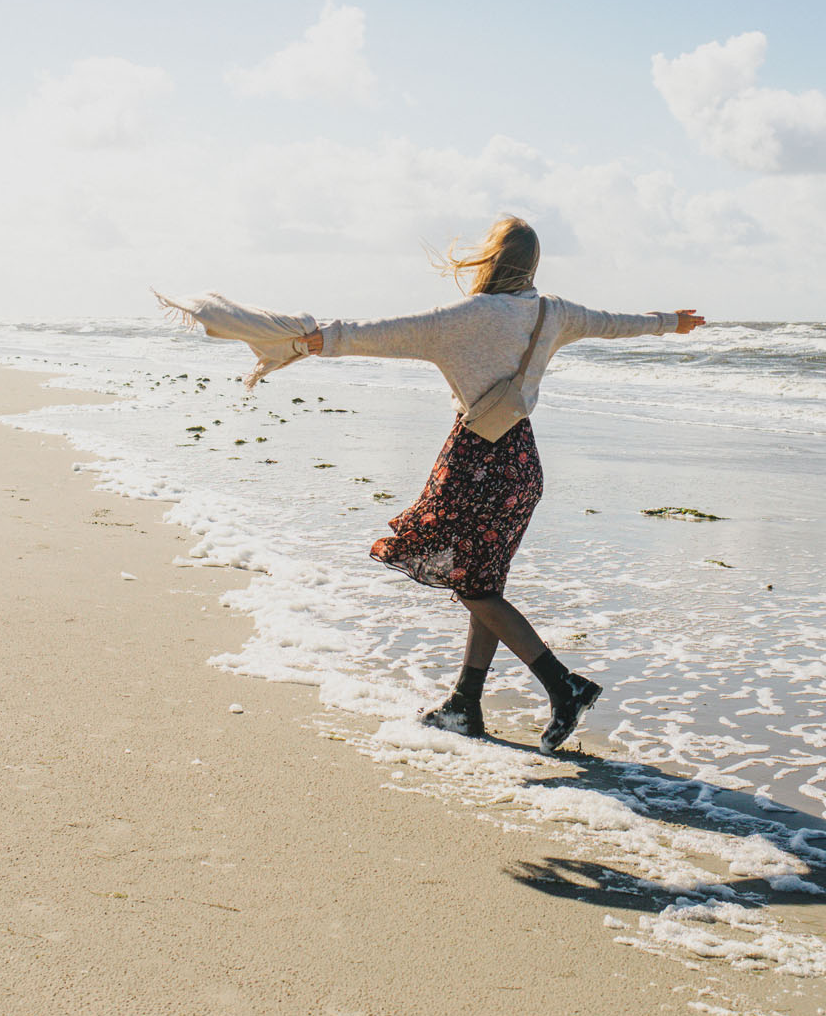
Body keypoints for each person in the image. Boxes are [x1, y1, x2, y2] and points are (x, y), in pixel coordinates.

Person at [176, 216, 704, 752]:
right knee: (483, 584)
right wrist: (670, 322)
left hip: (476, 460)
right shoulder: (556, 314)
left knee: (474, 587)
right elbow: (613, 323)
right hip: (523, 463)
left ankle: (563, 685)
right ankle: (464, 704)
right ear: (531, 264)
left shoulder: (469, 316)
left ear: (491, 257)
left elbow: (386, 333)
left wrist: (320, 339)